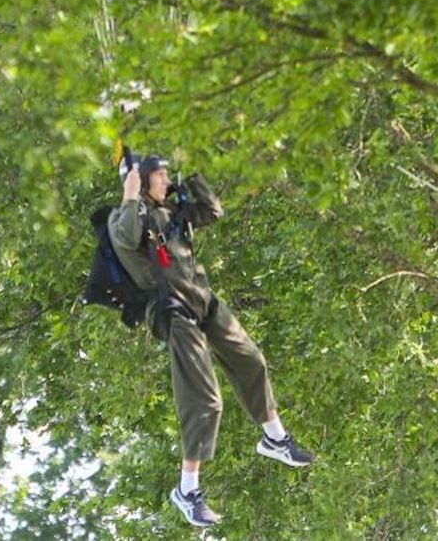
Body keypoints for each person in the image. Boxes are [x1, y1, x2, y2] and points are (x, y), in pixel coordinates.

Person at [108, 154, 314, 528]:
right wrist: (130, 195)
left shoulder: (172, 212)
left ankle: (275, 439)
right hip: (171, 309)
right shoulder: (126, 217)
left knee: (252, 360)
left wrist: (192, 171)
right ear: (139, 180)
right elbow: (125, 238)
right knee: (207, 401)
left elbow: (212, 211)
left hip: (202, 299)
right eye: (160, 173)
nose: (166, 177)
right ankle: (187, 491)